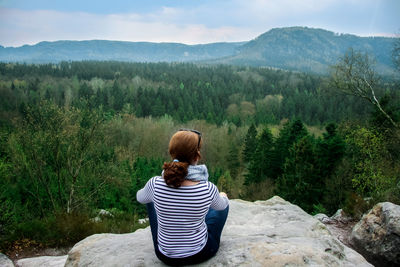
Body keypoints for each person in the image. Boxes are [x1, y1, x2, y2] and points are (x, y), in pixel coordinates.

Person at [136, 129, 229, 266]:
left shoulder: (154, 183)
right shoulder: (207, 188)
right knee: (222, 204)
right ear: (197, 156)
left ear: (172, 153)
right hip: (198, 254)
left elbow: (140, 197)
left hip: (164, 255)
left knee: (149, 199)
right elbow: (221, 207)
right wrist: (223, 196)